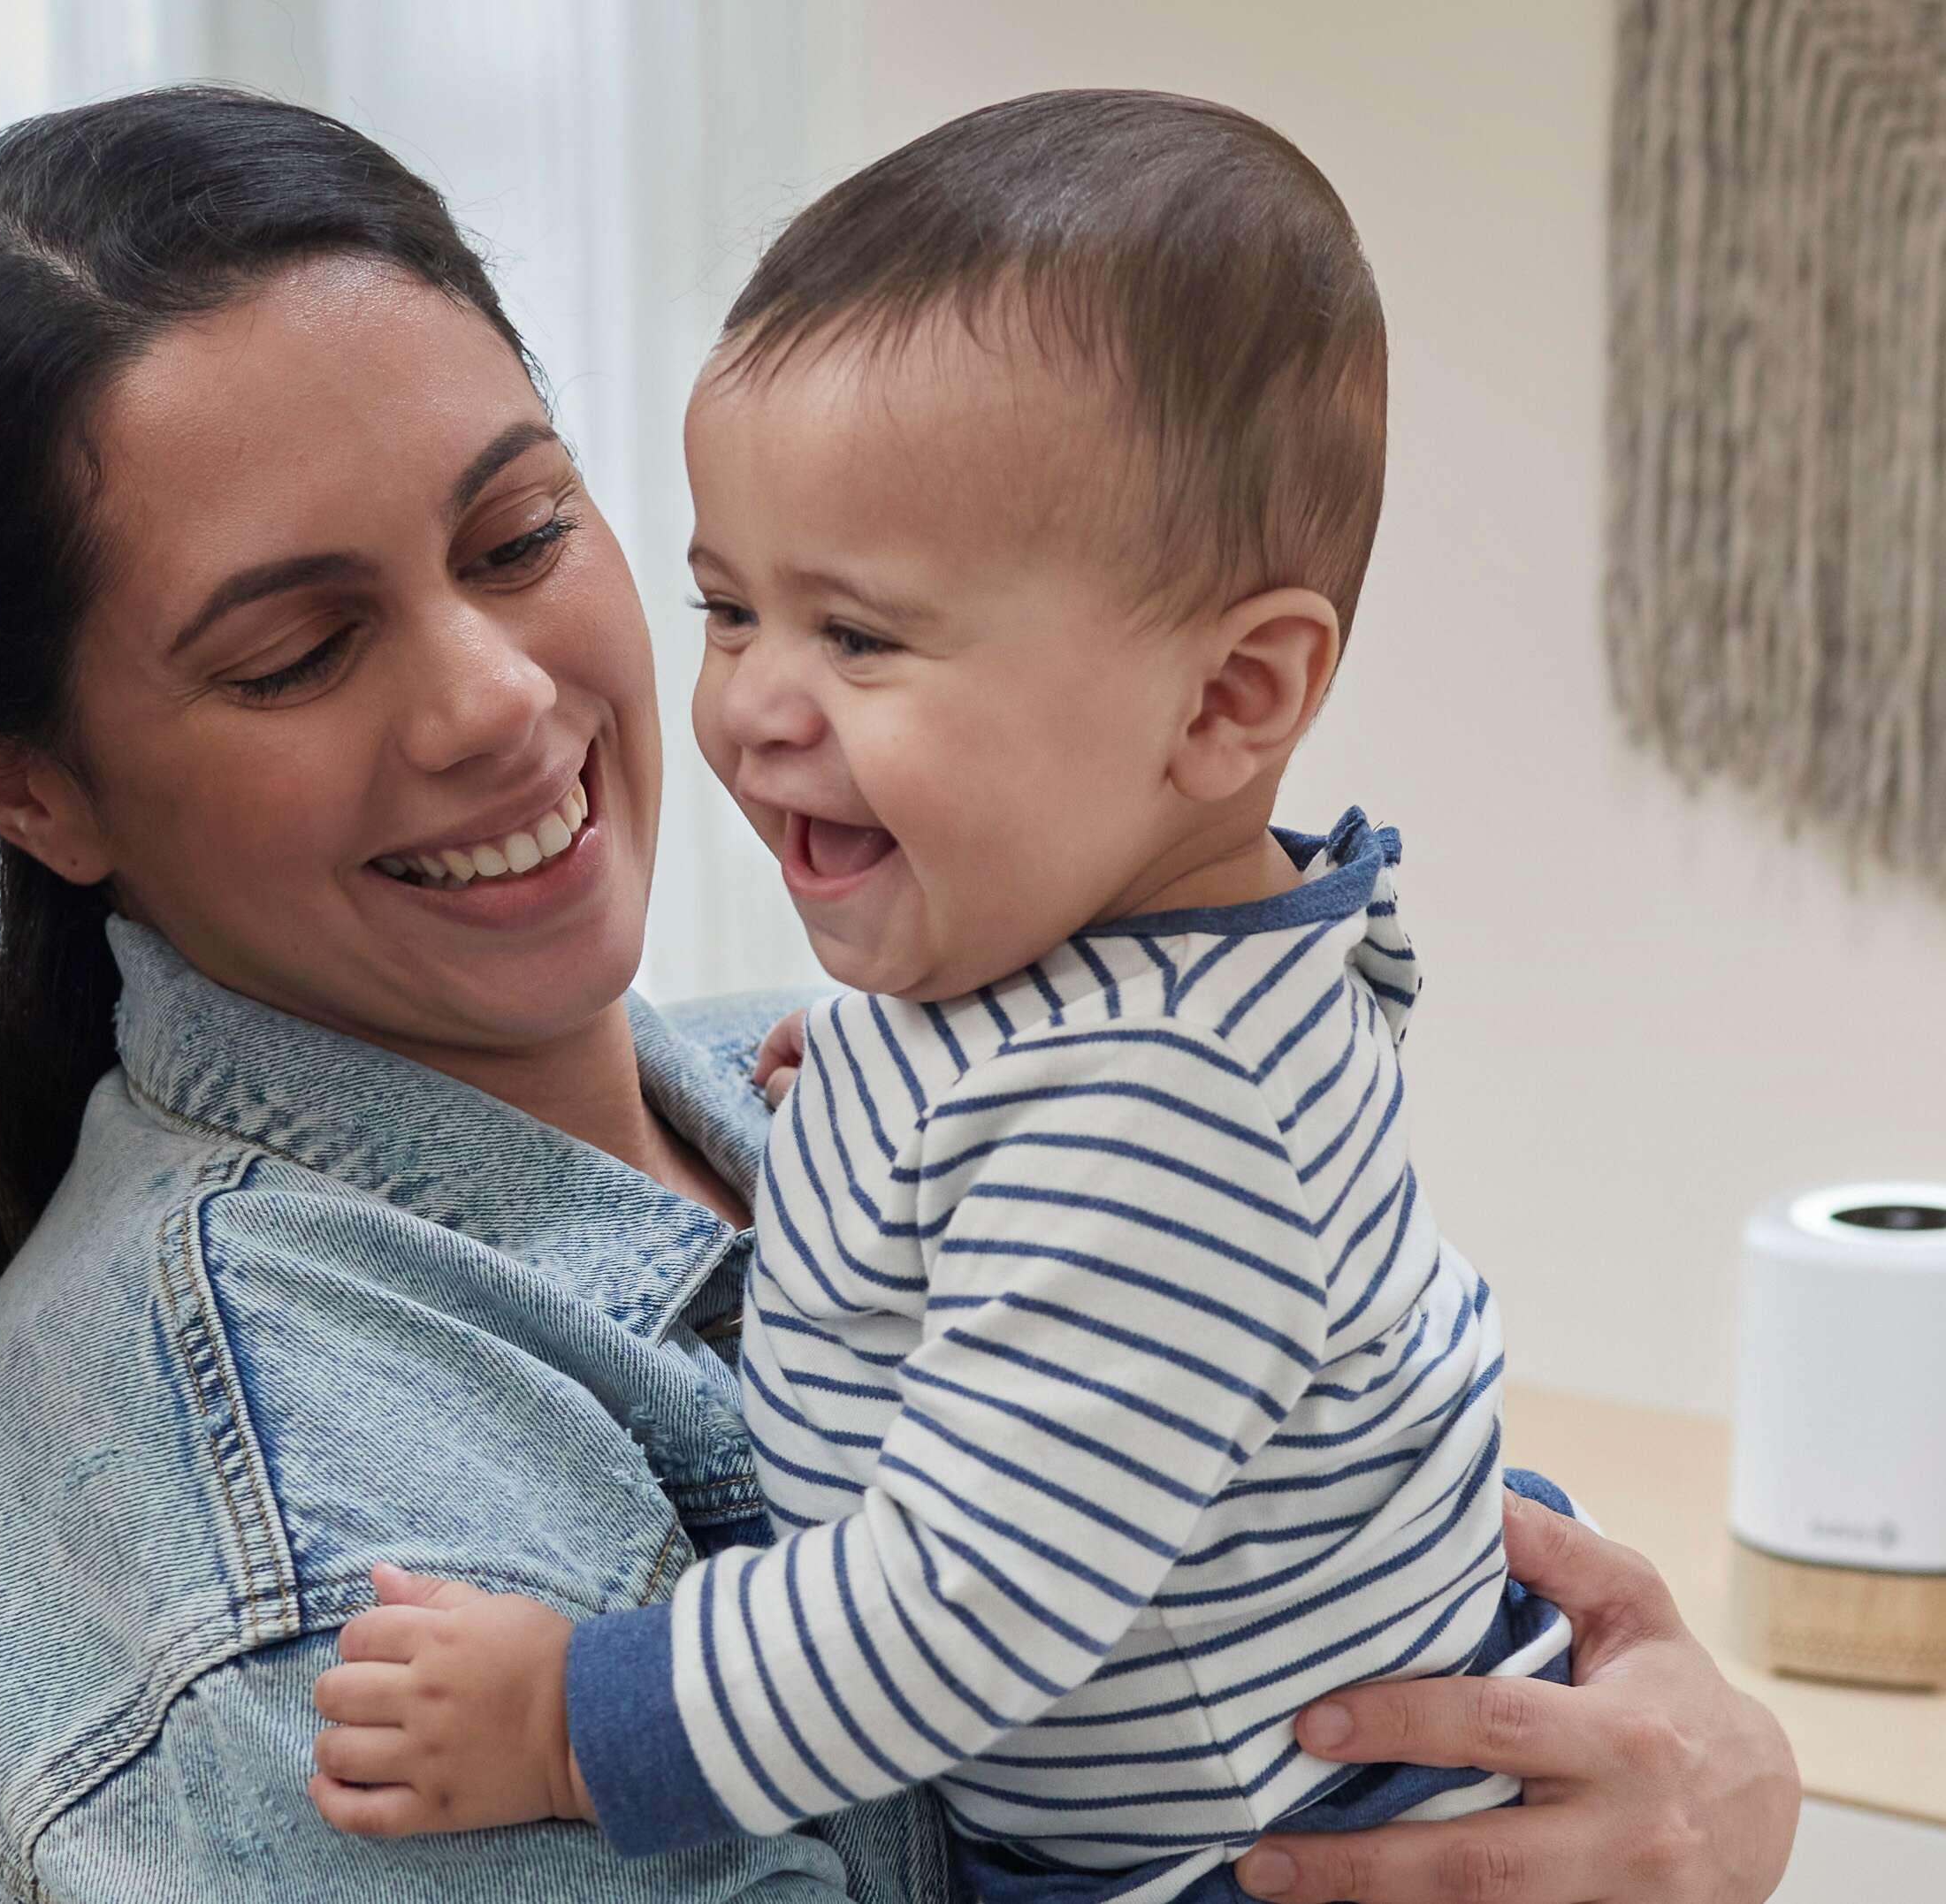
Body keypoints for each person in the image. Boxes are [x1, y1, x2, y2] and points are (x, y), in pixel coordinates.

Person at [0, 86, 1801, 1904]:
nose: (502, 700)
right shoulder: (295, 1560)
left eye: (522, 534)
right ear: (19, 776)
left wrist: (1706, 1780)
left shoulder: (887, 1074)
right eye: (297, 650)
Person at [302, 90, 1561, 1904]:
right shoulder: (1073, 977)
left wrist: (575, 1725)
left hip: (1253, 1853)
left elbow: (963, 1602)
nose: (751, 707)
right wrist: (896, 1085)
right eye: (729, 610)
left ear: (1228, 703)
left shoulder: (1152, 1114)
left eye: (863, 636)